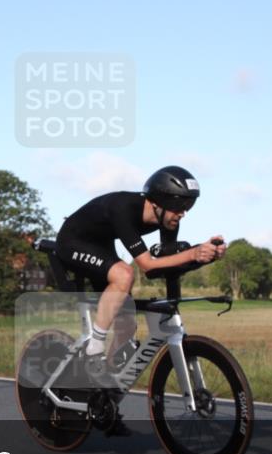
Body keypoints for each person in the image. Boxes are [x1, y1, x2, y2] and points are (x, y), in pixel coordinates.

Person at [55, 166, 226, 435]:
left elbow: (167, 264)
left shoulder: (169, 219)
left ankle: (104, 396)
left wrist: (203, 256)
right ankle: (93, 350)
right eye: (179, 207)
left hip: (102, 247)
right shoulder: (125, 208)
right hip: (72, 242)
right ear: (158, 203)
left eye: (188, 208)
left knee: (126, 327)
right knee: (125, 274)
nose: (182, 214)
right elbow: (148, 265)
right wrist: (193, 254)